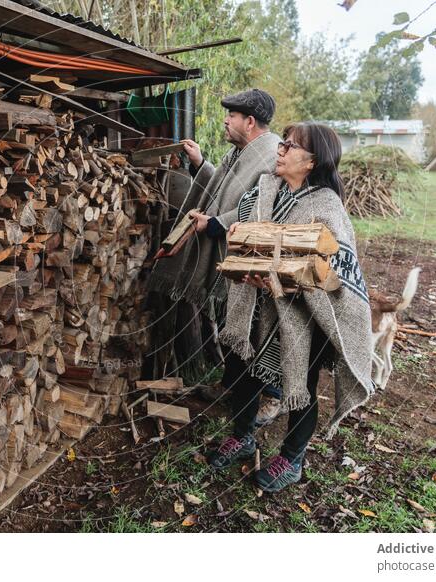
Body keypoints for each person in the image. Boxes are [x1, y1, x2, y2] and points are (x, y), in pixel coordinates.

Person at [205, 122, 374, 494]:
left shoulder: (326, 207)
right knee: (246, 372)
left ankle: (293, 457)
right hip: (256, 305)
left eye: (291, 146)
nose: (280, 150)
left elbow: (336, 274)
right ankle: (243, 435)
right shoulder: (267, 189)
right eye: (282, 143)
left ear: (313, 162)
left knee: (302, 385)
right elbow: (247, 231)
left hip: (305, 316)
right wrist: (241, 248)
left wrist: (283, 282)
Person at [147, 89, 282, 419]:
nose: (225, 120)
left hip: (255, 257)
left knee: (258, 326)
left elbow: (262, 206)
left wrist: (217, 224)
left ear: (249, 122)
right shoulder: (240, 151)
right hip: (232, 254)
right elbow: (223, 188)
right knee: (233, 322)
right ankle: (232, 383)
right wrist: (200, 164)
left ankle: (272, 395)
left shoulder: (270, 156)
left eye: (231, 116)